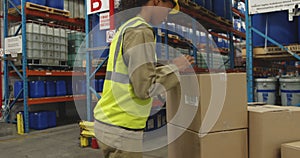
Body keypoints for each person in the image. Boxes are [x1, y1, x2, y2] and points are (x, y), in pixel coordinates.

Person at [93, 0, 194, 157]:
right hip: (122, 127)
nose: (166, 18)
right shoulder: (140, 31)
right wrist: (176, 69)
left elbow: (135, 70)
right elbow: (145, 88)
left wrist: (170, 65)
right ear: (156, 1)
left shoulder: (127, 26)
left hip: (110, 122)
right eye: (167, 10)